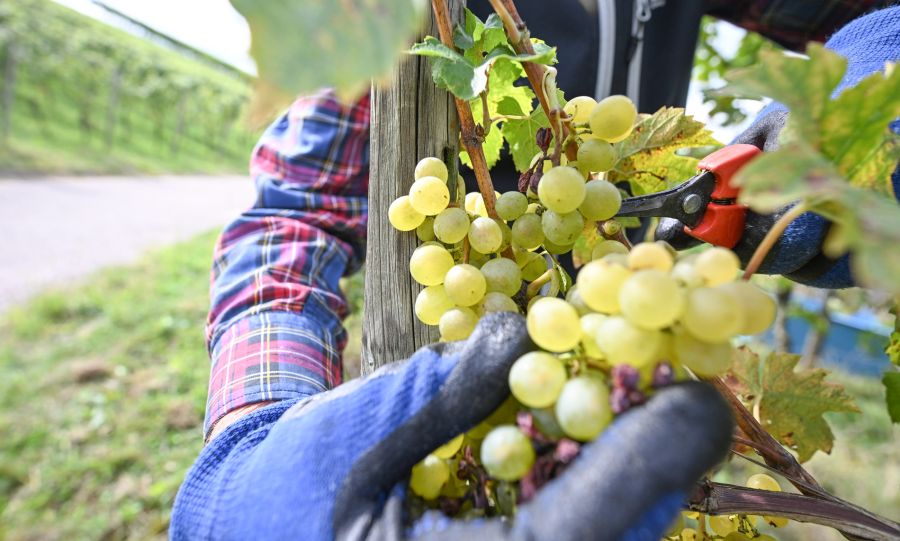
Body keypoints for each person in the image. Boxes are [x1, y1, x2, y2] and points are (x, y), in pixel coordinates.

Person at [170, 4, 899, 540]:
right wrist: (254, 423)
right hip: (441, 405)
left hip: (620, 365)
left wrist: (886, 51)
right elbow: (294, 212)